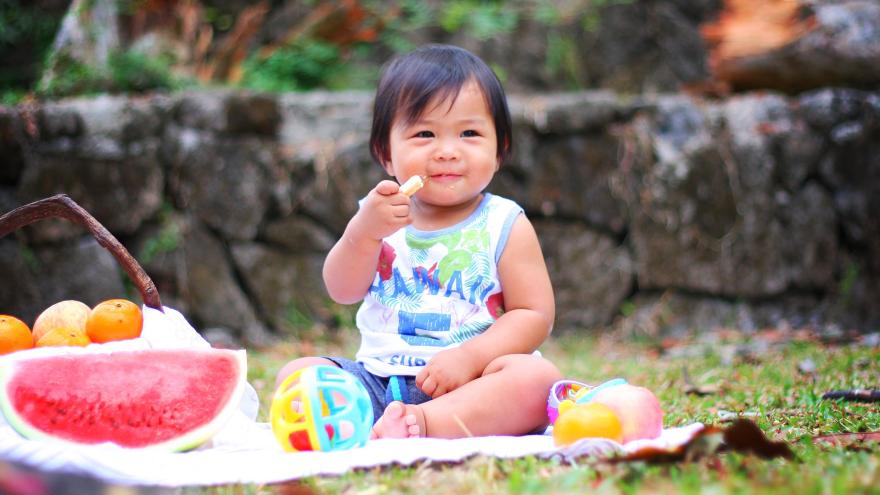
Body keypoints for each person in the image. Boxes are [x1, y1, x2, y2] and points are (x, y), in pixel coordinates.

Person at [276, 44, 561, 439]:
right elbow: (341, 290)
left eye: (470, 133)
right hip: (378, 381)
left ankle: (425, 424)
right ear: (386, 154)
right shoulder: (378, 215)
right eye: (424, 133)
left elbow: (533, 314)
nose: (447, 151)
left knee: (537, 379)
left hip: (473, 382)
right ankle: (383, 421)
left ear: (500, 151)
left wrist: (470, 357)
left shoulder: (504, 223)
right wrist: (363, 232)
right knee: (298, 375)